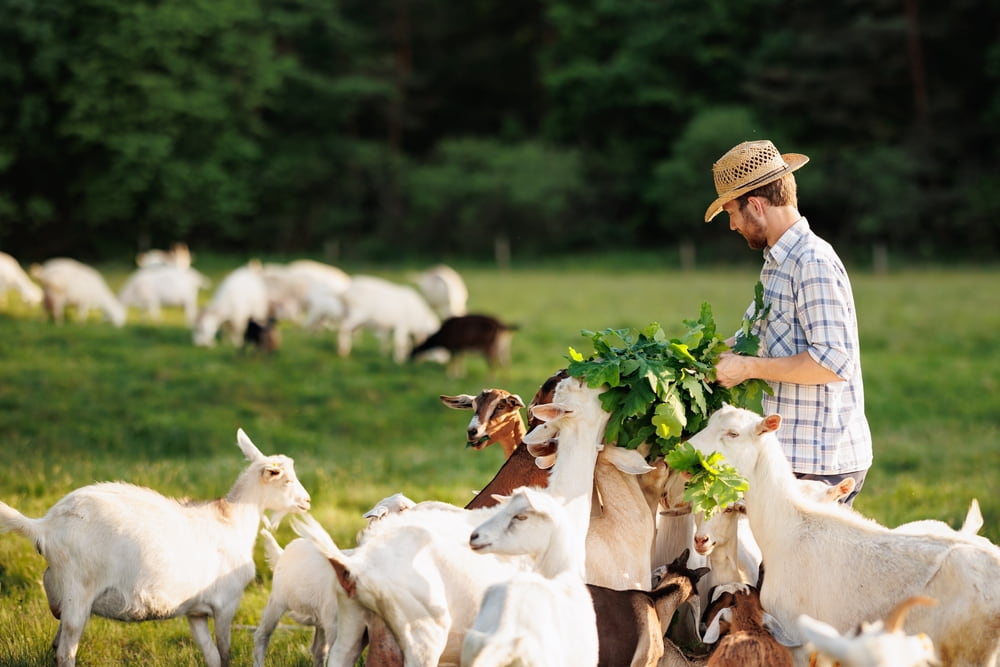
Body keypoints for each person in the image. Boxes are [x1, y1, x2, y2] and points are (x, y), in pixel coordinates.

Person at [705, 139, 872, 504]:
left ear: (757, 205)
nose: (732, 225)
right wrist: (696, 357)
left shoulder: (811, 261)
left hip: (821, 462)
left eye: (732, 212)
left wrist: (746, 368)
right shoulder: (777, 261)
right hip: (793, 455)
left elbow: (832, 361)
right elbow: (754, 336)